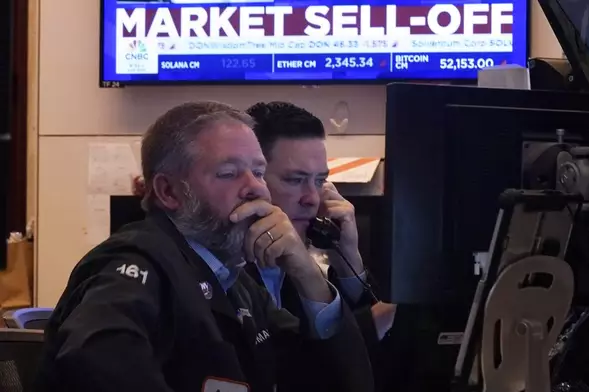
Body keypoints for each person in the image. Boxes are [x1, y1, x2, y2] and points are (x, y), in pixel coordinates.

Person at [35, 102, 374, 392]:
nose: (256, 189)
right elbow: (95, 360)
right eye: (229, 174)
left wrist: (306, 273)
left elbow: (336, 383)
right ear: (169, 192)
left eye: (258, 172)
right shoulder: (136, 261)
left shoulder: (236, 285)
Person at [244, 101, 397, 387]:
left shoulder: (290, 265)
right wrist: (309, 274)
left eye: (319, 181)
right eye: (295, 180)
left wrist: (347, 259)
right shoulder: (223, 271)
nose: (312, 198)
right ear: (251, 181)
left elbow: (378, 363)